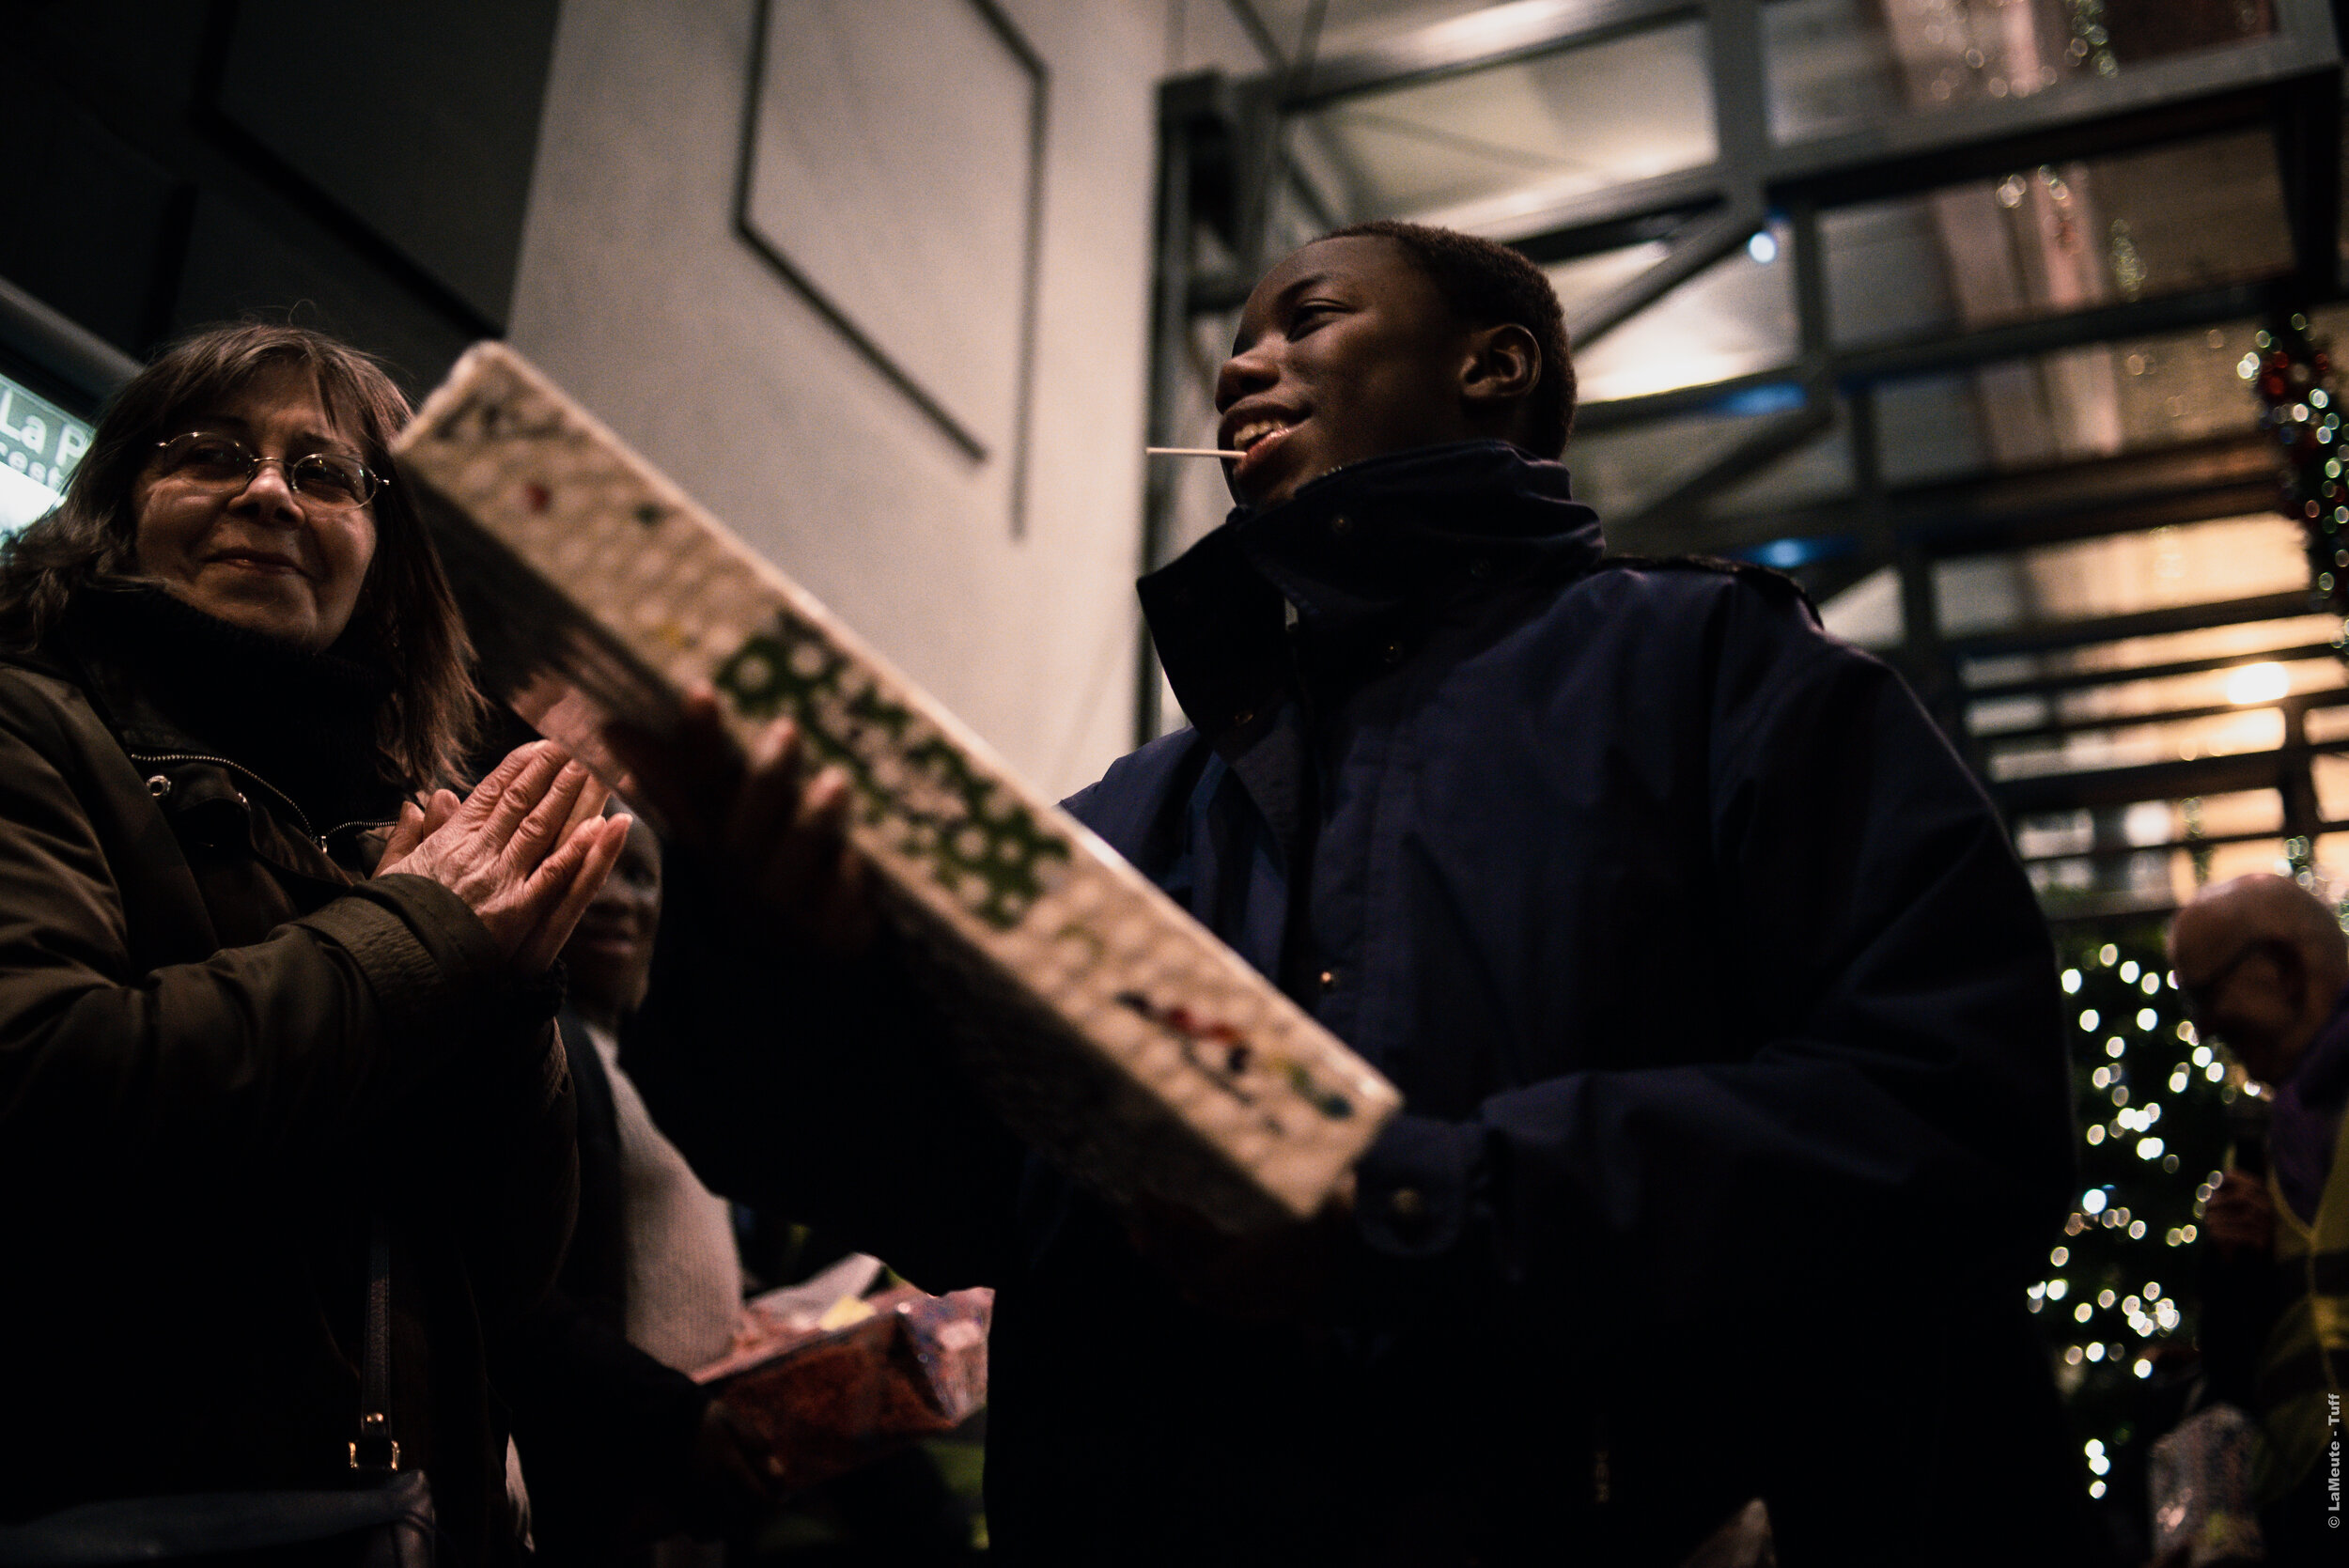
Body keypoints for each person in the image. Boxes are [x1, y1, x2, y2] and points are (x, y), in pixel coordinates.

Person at [616, 222, 2092, 1564]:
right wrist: (781, 955)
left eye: (1304, 319)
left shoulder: (1719, 677)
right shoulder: (1136, 817)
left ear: (1491, 364)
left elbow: (1953, 1105)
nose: (1240, 361)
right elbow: (973, 1205)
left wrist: (1399, 1206)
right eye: (1232, 343)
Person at [0, 322, 630, 1561]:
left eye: (328, 472)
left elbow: (491, 1277)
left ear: (385, 556)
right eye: (212, 453)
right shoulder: (28, 721)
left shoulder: (396, 816)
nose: (271, 491)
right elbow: (41, 1082)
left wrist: (503, 1003)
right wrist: (424, 932)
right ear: (122, 507)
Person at [503, 813, 777, 1564]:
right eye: (598, 865)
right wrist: (666, 1414)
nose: (622, 898)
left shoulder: (652, 1054)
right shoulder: (542, 1047)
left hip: (687, 1488)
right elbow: (517, 1292)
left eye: (643, 875)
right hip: (612, 1483)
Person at [2168, 873, 2349, 1561]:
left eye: (2206, 993)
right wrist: (2230, 1266)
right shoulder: (2261, 1144)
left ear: (2284, 967)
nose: (2205, 1028)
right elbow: (2240, 1372)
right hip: (2320, 1502)